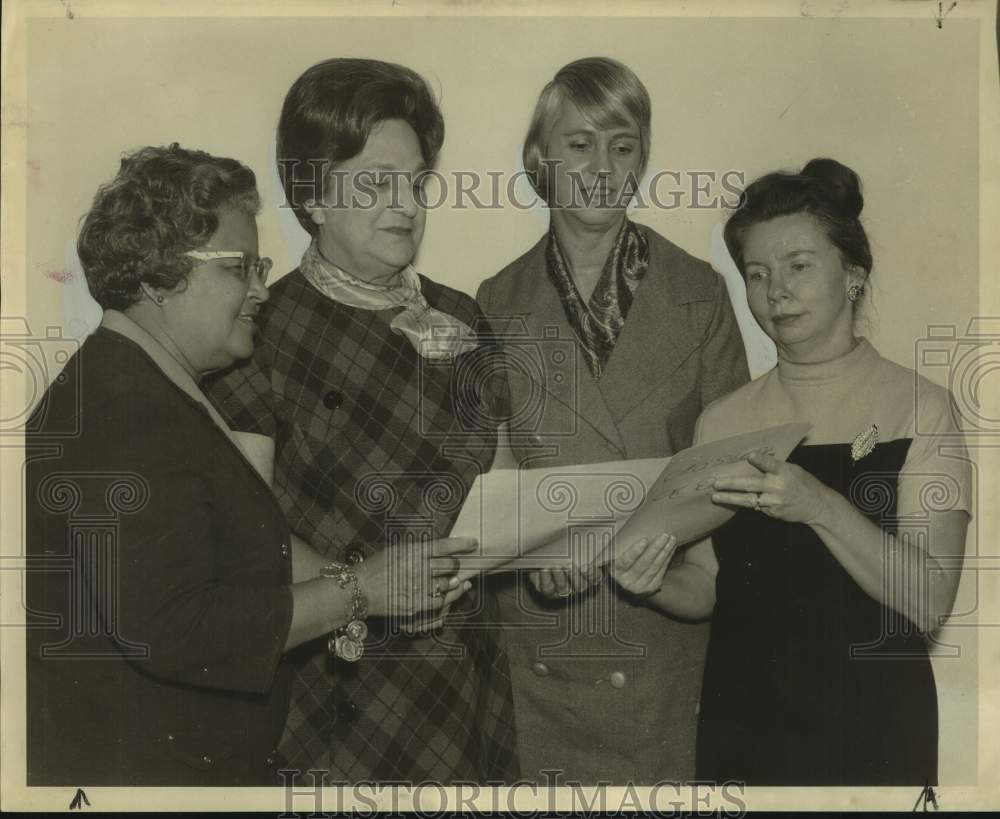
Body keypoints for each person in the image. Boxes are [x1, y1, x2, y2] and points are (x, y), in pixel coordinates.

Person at [25, 144, 473, 786]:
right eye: (241, 268)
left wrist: (384, 589)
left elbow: (233, 561)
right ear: (158, 275)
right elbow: (177, 629)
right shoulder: (127, 413)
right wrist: (359, 592)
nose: (263, 290)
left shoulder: (145, 390)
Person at [203, 59, 518, 782]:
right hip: (335, 686)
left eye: (415, 182)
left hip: (463, 680)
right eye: (376, 181)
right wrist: (367, 586)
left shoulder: (464, 318)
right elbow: (252, 538)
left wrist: (561, 544)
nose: (405, 203)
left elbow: (505, 494)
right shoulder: (261, 329)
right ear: (314, 194)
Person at [475, 57, 750, 783]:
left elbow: (733, 467)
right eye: (579, 144)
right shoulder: (493, 302)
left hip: (664, 634)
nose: (602, 166)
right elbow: (492, 478)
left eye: (622, 146)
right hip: (544, 649)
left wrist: (640, 545)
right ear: (540, 159)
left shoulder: (700, 293)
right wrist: (537, 559)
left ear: (642, 160)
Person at [666, 158, 971, 785]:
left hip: (874, 727)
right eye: (757, 274)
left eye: (798, 266)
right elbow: (708, 586)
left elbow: (929, 601)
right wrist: (640, 577)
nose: (775, 291)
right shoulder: (723, 421)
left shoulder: (920, 408)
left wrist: (821, 506)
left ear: (853, 275)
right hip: (742, 725)